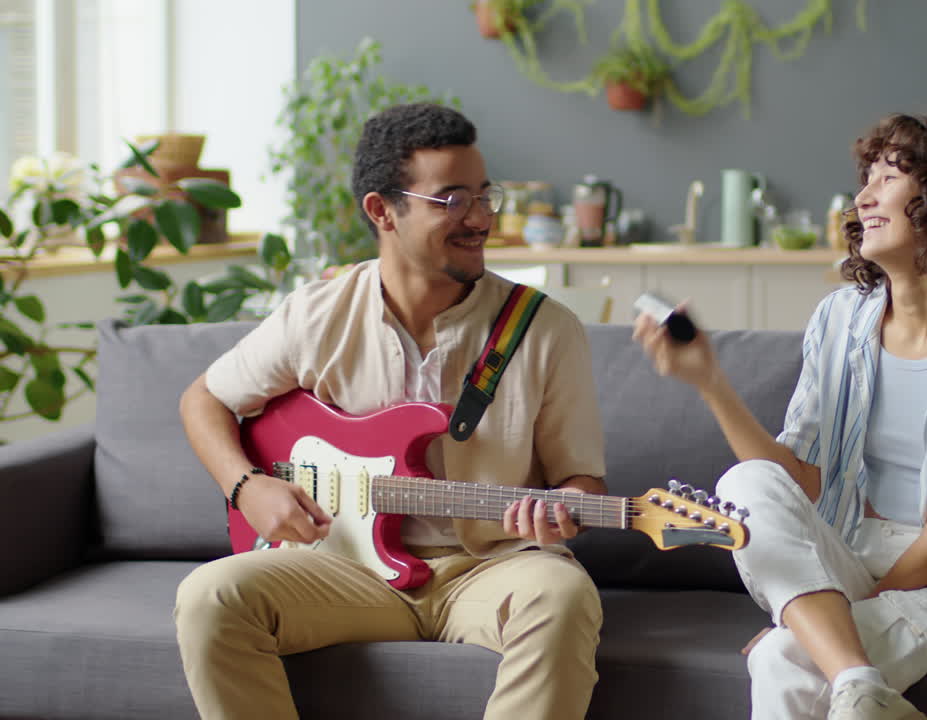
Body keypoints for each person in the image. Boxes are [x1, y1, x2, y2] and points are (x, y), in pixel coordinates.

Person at [175, 102, 607, 720]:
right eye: (453, 200)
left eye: (486, 196)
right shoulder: (316, 314)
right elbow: (205, 398)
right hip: (346, 570)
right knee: (208, 596)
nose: (481, 218)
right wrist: (246, 487)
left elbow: (582, 481)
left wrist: (564, 510)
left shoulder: (546, 330)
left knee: (563, 596)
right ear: (382, 210)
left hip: (491, 567)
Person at [634, 114, 927, 720]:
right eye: (867, 178)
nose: (863, 197)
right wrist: (708, 381)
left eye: (888, 177)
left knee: (782, 657)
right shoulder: (839, 319)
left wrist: (814, 625)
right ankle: (861, 687)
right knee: (744, 483)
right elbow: (800, 480)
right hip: (848, 550)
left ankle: (854, 681)